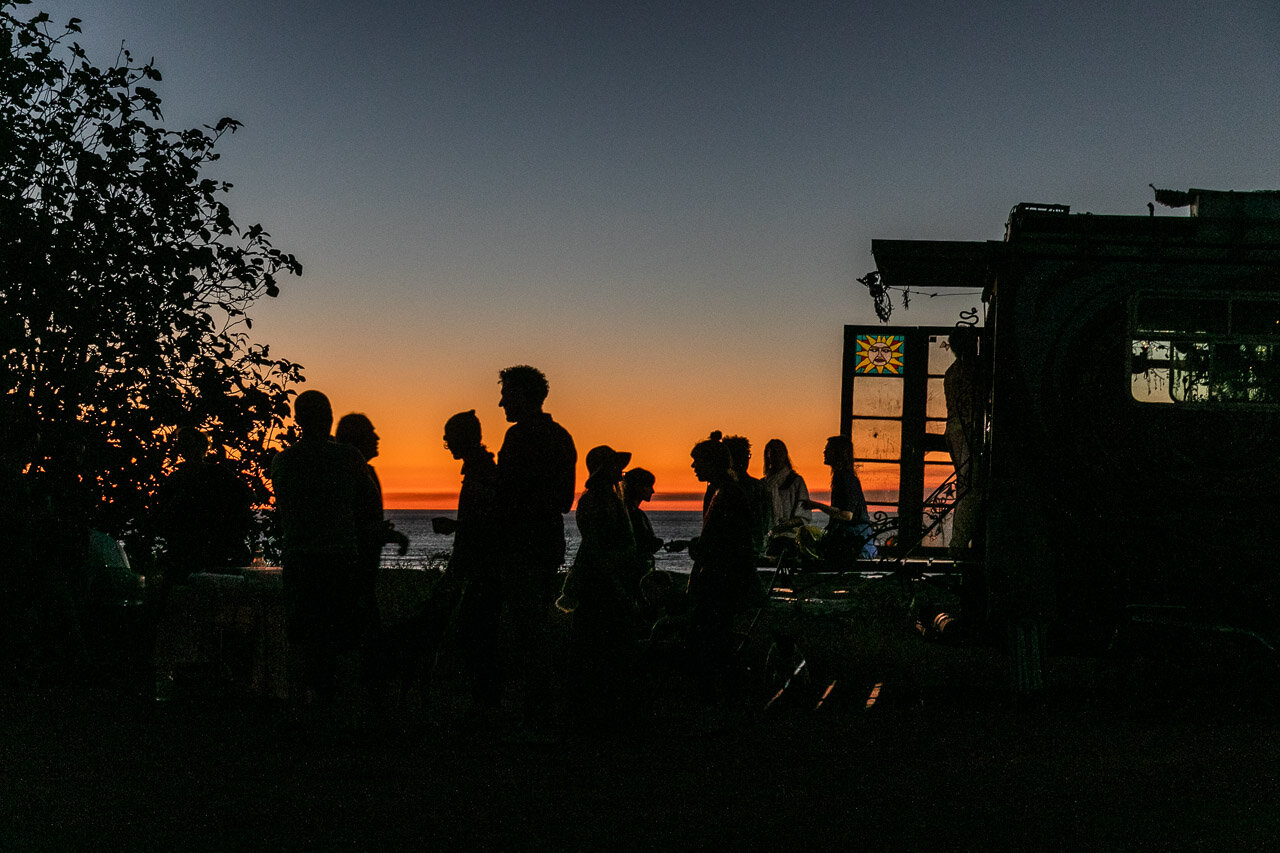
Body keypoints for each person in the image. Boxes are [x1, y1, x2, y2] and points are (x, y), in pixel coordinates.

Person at [269, 390, 378, 703]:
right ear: (329, 417)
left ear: (298, 420)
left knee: (301, 637)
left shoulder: (284, 461)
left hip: (300, 560)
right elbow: (368, 504)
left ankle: (299, 708)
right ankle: (344, 711)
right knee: (344, 638)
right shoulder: (348, 458)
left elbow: (283, 510)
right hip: (340, 560)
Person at [495, 364, 577, 726]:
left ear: (525, 397)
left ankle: (537, 710)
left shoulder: (519, 438)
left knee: (527, 627)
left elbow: (506, 495)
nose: (501, 403)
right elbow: (563, 501)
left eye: (507, 395)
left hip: (524, 542)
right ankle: (540, 704)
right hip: (547, 540)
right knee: (534, 624)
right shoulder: (561, 436)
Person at [426, 410, 502, 711]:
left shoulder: (481, 474)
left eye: (449, 439)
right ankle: (485, 705)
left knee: (476, 638)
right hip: (482, 569)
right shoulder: (482, 471)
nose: (448, 444)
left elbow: (486, 523)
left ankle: (486, 707)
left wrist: (456, 528)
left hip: (482, 571)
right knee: (476, 637)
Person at [560, 445, 640, 730]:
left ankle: (598, 710)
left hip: (605, 581)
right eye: (616, 466)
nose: (621, 472)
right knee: (597, 647)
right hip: (601, 585)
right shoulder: (596, 501)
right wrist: (618, 585)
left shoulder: (606, 499)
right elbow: (598, 549)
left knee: (600, 648)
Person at [686, 431, 763, 703]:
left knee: (710, 635)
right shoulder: (728, 491)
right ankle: (723, 693)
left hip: (722, 580)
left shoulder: (725, 494)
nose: (693, 467)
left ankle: (719, 695)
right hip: (726, 578)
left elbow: (726, 542)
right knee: (716, 637)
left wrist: (700, 549)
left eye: (697, 461)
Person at [334, 413, 409, 687]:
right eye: (371, 433)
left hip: (364, 571)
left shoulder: (364, 472)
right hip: (354, 571)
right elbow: (349, 522)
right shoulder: (352, 474)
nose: (377, 438)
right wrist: (382, 533)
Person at [155, 427, 255, 587]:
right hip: (186, 548)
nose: (185, 449)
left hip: (212, 547)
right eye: (182, 445)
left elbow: (247, 496)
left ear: (201, 447)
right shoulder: (176, 479)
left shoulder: (216, 474)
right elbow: (163, 515)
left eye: (188, 444)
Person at [802, 435, 878, 567]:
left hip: (853, 541)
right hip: (855, 538)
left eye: (828, 449)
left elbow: (846, 515)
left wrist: (815, 505)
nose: (824, 452)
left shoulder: (846, 480)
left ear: (838, 453)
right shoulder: (845, 478)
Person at [945, 327, 981, 559]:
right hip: (965, 433)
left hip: (957, 432)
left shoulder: (953, 372)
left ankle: (960, 542)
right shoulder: (970, 371)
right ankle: (959, 543)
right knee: (969, 488)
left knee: (966, 486)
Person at [760, 438, 811, 558]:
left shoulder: (796, 482)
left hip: (790, 539)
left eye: (779, 453)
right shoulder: (763, 484)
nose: (776, 457)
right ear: (768, 457)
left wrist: (787, 523)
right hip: (770, 538)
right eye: (773, 454)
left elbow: (804, 516)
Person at [723, 435, 769, 557]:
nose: (745, 460)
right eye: (742, 455)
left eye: (747, 455)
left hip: (737, 550)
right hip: (749, 549)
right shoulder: (757, 486)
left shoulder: (757, 487)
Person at [622, 467, 662, 592]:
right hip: (633, 574)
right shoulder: (631, 514)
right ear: (638, 487)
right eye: (649, 486)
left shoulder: (635, 513)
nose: (653, 491)